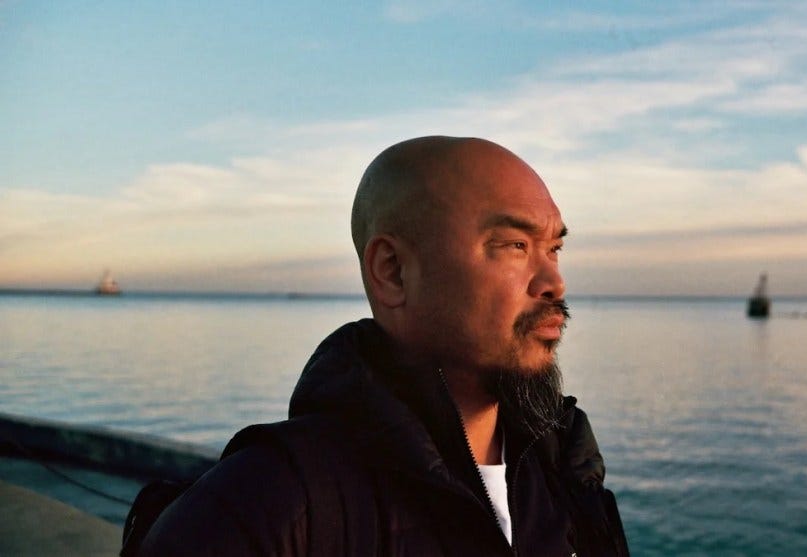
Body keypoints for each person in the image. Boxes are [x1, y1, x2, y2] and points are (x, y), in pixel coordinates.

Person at [138, 136, 629, 556]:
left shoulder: (566, 469)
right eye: (514, 246)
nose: (554, 282)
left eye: (554, 248)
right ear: (393, 272)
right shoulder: (266, 505)